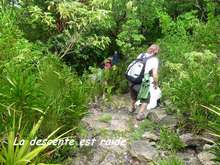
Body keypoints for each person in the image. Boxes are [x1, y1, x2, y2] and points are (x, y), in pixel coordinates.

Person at [129, 44, 160, 120]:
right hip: (143, 80)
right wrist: (156, 83)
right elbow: (155, 74)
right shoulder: (154, 60)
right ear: (156, 51)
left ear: (149, 49)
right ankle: (140, 114)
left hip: (132, 77)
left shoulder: (141, 55)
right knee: (146, 98)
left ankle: (132, 108)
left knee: (134, 93)